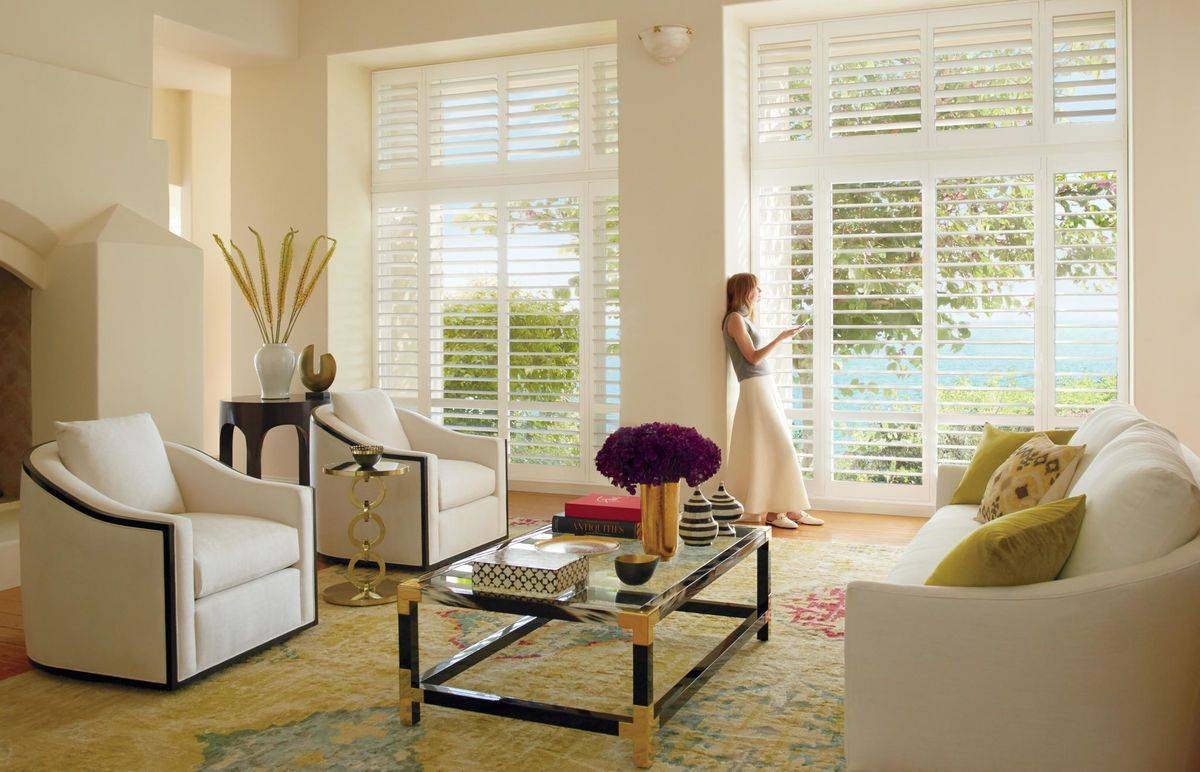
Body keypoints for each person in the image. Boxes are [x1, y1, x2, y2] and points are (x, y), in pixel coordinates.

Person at [722, 272, 823, 528]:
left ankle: (790, 509)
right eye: (757, 288)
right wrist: (781, 338)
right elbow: (753, 357)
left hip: (764, 385)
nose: (761, 292)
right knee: (779, 445)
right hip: (754, 386)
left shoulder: (746, 319)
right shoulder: (734, 320)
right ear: (745, 290)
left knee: (777, 447)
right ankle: (775, 512)